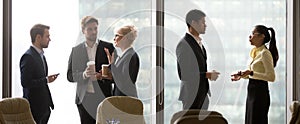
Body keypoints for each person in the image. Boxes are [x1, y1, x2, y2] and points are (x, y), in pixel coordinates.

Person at [67, 16, 114, 124]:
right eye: (90, 29)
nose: (93, 32)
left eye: (95, 28)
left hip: (104, 97)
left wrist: (104, 75)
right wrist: (84, 74)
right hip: (84, 99)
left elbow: (116, 75)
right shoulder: (76, 51)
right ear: (83, 30)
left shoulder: (108, 47)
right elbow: (69, 75)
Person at [231, 25, 279, 124]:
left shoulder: (265, 53)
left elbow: (271, 77)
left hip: (260, 93)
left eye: (253, 34)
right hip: (252, 92)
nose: (250, 37)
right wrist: (242, 75)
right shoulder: (256, 52)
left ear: (262, 36)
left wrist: (251, 73)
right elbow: (254, 74)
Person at [176, 9, 220, 110]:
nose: (205, 25)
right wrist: (207, 75)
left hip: (202, 95)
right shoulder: (184, 44)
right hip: (191, 96)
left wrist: (207, 74)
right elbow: (184, 74)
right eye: (203, 22)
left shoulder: (199, 43)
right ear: (193, 23)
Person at [20, 24, 59, 124]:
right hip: (34, 107)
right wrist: (46, 80)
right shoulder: (28, 56)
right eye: (47, 36)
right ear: (38, 37)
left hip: (43, 107)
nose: (49, 39)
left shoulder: (41, 55)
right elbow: (25, 82)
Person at [101, 25, 140, 97]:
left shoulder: (130, 56)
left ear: (125, 38)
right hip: (121, 97)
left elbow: (124, 82)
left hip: (126, 99)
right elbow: (118, 78)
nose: (114, 38)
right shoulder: (124, 55)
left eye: (117, 35)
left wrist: (112, 65)